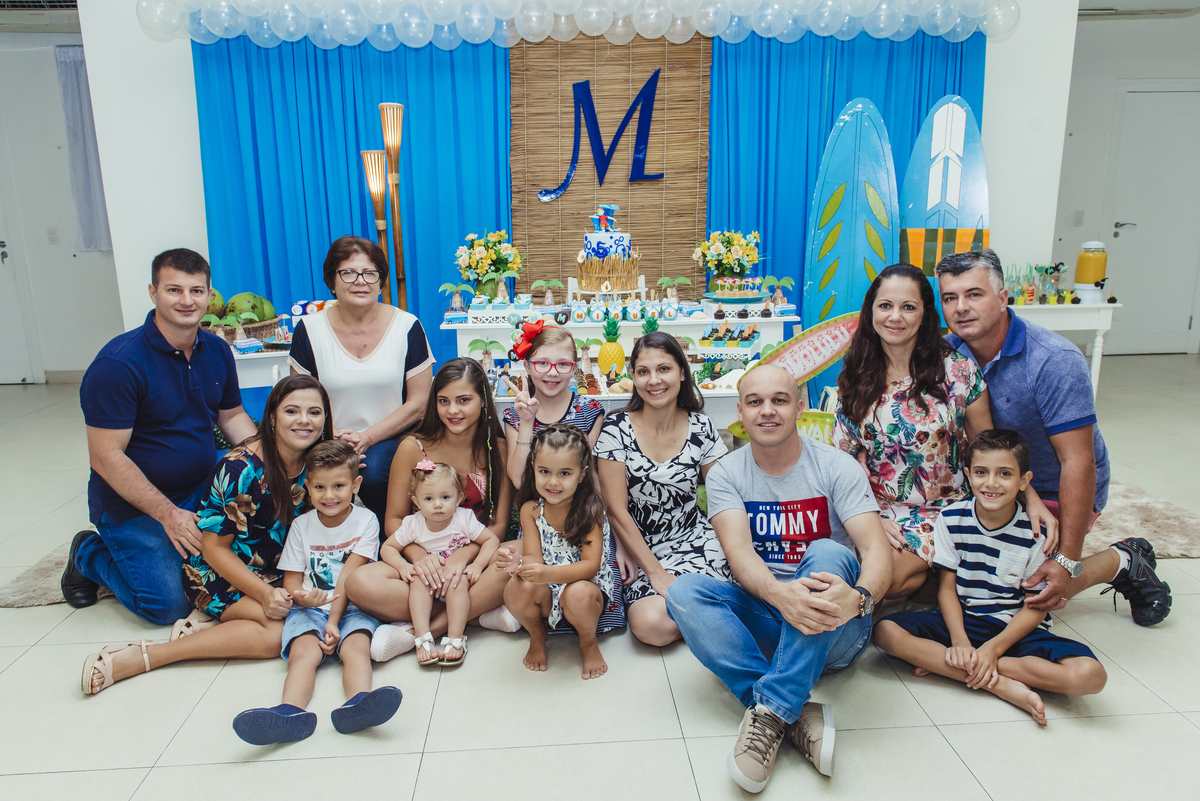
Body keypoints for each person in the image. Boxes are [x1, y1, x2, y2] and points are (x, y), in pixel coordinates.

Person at [664, 365, 891, 793]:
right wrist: (781, 596)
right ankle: (791, 709)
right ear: (740, 413)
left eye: (779, 400)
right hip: (772, 613)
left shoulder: (837, 466)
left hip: (835, 625)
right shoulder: (727, 473)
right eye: (755, 402)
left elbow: (877, 550)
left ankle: (768, 715)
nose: (767, 411)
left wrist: (860, 598)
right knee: (683, 592)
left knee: (827, 551)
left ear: (799, 409)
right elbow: (740, 555)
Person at [936, 249, 1171, 625]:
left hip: (1051, 487)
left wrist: (1067, 561)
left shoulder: (1054, 359)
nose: (961, 307)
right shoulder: (947, 353)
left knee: (1030, 588)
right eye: (950, 298)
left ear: (1003, 298)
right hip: (992, 481)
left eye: (974, 294)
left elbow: (1078, 461)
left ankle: (1123, 561)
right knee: (955, 575)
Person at [81, 375, 331, 694]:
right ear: (271, 417)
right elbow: (214, 550)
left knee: (304, 620)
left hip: (278, 571)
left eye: (314, 412)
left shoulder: (318, 462)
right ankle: (148, 656)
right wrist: (265, 595)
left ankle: (205, 627)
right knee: (281, 631)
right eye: (292, 411)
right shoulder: (241, 470)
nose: (304, 420)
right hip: (219, 572)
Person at [832, 263, 1057, 599]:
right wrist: (870, 517)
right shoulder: (857, 373)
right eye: (885, 305)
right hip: (875, 509)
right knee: (847, 567)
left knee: (885, 577)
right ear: (871, 311)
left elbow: (988, 448)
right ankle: (946, 580)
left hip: (945, 508)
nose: (895, 317)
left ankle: (946, 577)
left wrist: (1031, 498)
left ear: (925, 314)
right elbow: (841, 460)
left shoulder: (957, 370)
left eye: (909, 307)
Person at [63, 248, 258, 625]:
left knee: (248, 560)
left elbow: (232, 416)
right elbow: (105, 457)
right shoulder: (118, 365)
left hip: (200, 486)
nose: (187, 300)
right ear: (153, 292)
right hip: (133, 504)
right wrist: (169, 515)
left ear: (209, 294)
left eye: (196, 291)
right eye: (174, 290)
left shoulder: (217, 349)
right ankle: (88, 553)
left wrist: (269, 463)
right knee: (168, 604)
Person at [875, 429, 1107, 726]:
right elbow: (947, 589)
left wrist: (991, 651)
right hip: (965, 622)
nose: (991, 483)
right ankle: (999, 684)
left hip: (1015, 630)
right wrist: (959, 641)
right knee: (885, 632)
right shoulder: (951, 519)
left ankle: (954, 665)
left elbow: (1036, 607)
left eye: (1005, 474)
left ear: (1024, 481)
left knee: (1090, 676)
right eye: (981, 472)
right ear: (968, 476)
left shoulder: (1038, 532)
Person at [232, 440, 401, 745]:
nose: (329, 495)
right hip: (309, 609)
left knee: (356, 649)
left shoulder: (366, 521)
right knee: (303, 655)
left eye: (339, 486)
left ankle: (359, 704)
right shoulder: (301, 525)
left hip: (352, 605)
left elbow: (350, 576)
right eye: (320, 487)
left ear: (355, 485)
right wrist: (302, 597)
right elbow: (291, 581)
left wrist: (334, 621)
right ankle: (289, 713)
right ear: (308, 488)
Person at [347, 358, 516, 660]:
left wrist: (464, 556)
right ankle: (476, 612)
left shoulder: (498, 450)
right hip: (425, 562)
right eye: (443, 401)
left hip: (473, 560)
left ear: (482, 400)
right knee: (359, 583)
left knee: (521, 554)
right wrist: (421, 558)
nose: (453, 410)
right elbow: (394, 520)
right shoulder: (414, 447)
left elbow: (499, 525)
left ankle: (426, 630)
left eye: (463, 400)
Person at [594, 331, 730, 647]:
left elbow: (725, 497)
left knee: (745, 580)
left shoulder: (702, 427)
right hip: (641, 548)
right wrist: (656, 574)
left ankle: (701, 609)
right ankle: (717, 613)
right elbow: (616, 509)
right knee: (650, 625)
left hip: (696, 539)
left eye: (664, 369)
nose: (654, 380)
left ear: (682, 372)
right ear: (633, 377)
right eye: (643, 371)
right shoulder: (616, 429)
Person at [289, 236, 434, 528]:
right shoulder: (309, 329)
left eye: (370, 273)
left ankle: (390, 539)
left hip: (394, 435)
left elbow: (419, 403)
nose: (360, 281)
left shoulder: (407, 326)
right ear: (332, 281)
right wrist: (331, 438)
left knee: (374, 469)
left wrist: (367, 437)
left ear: (381, 282)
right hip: (328, 438)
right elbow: (299, 399)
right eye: (348, 273)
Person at [501, 424, 616, 680]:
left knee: (578, 594)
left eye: (564, 473)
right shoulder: (531, 510)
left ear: (581, 474)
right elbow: (533, 556)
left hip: (585, 587)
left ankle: (587, 641)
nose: (553, 482)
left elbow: (590, 567)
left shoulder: (591, 511)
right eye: (544, 471)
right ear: (533, 468)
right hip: (548, 586)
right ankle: (537, 634)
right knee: (515, 589)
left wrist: (547, 574)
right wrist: (519, 566)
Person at [385, 462, 498, 666]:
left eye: (445, 497)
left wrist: (478, 565)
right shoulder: (413, 523)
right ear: (416, 502)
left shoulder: (463, 519)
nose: (438, 504)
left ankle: (456, 639)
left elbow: (491, 540)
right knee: (418, 581)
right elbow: (388, 547)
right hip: (429, 578)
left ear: (459, 498)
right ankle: (422, 638)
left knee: (457, 582)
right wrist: (403, 566)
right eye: (428, 499)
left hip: (456, 577)